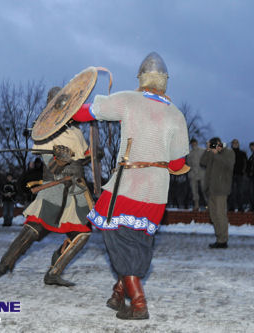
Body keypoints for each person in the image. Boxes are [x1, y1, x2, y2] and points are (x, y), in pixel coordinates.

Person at [72, 52, 189, 320]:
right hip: (157, 192)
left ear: (141, 79)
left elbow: (87, 111)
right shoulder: (177, 114)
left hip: (128, 185)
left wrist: (65, 109)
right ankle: (118, 293)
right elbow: (177, 163)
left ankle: (138, 303)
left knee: (118, 238)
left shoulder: (129, 99)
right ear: (165, 81)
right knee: (138, 242)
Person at [0, 86, 93, 287]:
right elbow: (48, 163)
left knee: (81, 234)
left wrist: (93, 157)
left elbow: (82, 159)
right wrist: (59, 161)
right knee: (32, 229)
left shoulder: (76, 132)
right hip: (54, 187)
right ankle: (3, 265)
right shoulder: (45, 130)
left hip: (76, 190)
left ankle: (54, 272)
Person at [200, 137, 235, 248]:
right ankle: (219, 237)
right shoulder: (211, 153)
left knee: (220, 214)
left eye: (215, 145)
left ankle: (223, 240)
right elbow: (203, 162)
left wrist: (216, 154)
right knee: (213, 215)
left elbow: (228, 165)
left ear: (219, 144)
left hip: (221, 189)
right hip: (211, 189)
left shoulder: (229, 152)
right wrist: (208, 150)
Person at [228, 139, 247, 212]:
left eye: (236, 143)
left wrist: (243, 171)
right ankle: (231, 207)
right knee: (231, 192)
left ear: (238, 144)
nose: (235, 144)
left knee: (240, 191)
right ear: (232, 144)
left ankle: (240, 207)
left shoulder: (242, 153)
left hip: (240, 175)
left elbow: (246, 163)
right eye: (234, 143)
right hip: (230, 175)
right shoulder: (229, 153)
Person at [186, 138, 206, 211]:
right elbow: (188, 163)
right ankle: (196, 205)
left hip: (202, 173)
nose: (193, 144)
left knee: (204, 189)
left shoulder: (202, 151)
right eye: (192, 143)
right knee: (194, 191)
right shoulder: (189, 153)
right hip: (193, 174)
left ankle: (209, 205)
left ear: (197, 143)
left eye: (194, 143)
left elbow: (206, 160)